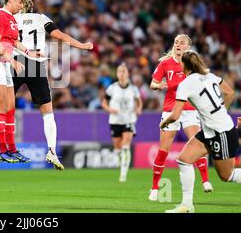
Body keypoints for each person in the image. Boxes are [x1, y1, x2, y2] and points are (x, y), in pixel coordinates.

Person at [0, 0, 93, 170]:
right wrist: (81, 45)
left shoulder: (13, 17)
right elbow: (59, 35)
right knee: (47, 111)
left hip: (14, 60)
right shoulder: (40, 18)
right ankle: (51, 151)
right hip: (33, 63)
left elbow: (3, 41)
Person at [160, 51, 240, 213]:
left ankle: (187, 205)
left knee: (227, 176)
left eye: (181, 63)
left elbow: (175, 115)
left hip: (221, 132)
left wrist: (164, 122)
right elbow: (230, 93)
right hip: (210, 130)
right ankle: (187, 206)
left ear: (185, 65)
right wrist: (221, 112)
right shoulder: (210, 76)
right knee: (183, 160)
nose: (179, 65)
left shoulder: (186, 84)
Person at [0, 0, 42, 163]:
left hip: (4, 65)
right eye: (20, 2)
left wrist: (29, 52)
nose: (22, 6)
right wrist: (12, 60)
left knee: (10, 108)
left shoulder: (12, 19)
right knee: (1, 107)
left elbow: (14, 42)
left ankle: (12, 149)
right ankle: (2, 152)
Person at [148, 34, 213, 201]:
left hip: (190, 110)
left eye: (182, 42)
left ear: (188, 46)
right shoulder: (165, 63)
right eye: (176, 42)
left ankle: (205, 180)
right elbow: (153, 83)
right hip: (171, 109)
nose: (178, 44)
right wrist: (158, 85)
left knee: (197, 143)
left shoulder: (193, 64)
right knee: (164, 149)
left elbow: (205, 81)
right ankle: (155, 188)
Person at [101, 63, 143, 182]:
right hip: (115, 120)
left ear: (128, 73)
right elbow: (104, 103)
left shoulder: (133, 89)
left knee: (125, 146)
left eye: (124, 71)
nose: (122, 73)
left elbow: (139, 101)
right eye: (120, 71)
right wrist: (110, 109)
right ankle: (122, 166)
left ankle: (123, 174)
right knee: (118, 148)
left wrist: (139, 108)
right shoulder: (112, 88)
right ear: (117, 74)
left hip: (129, 119)